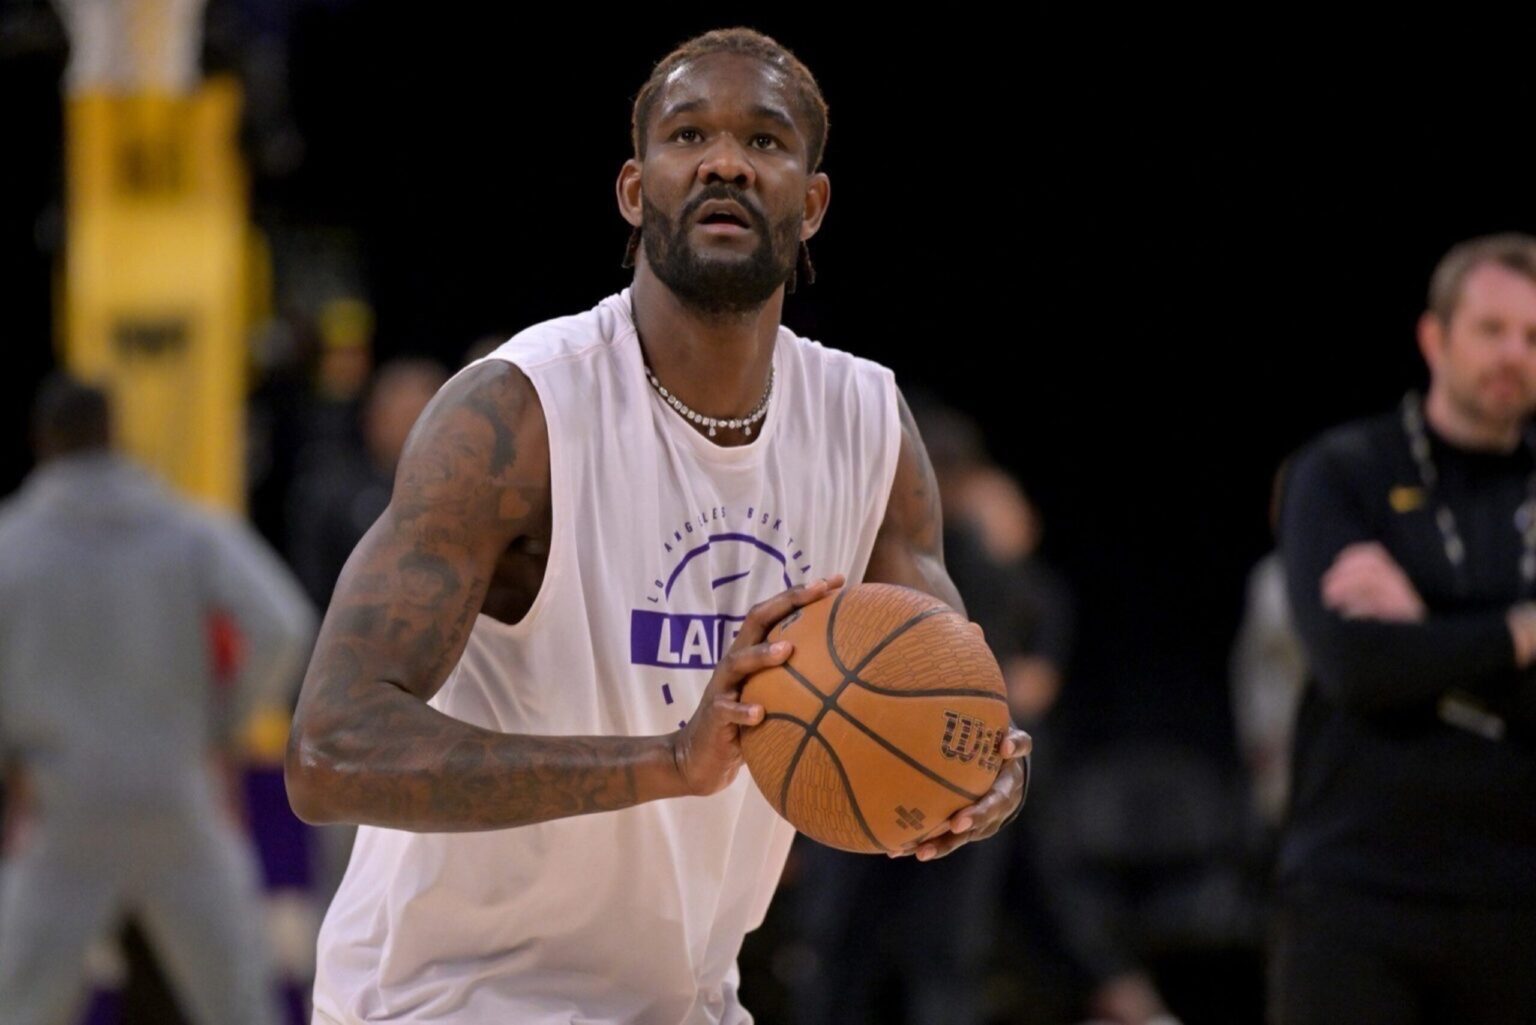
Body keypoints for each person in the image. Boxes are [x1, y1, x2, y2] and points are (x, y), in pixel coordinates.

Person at [284, 26, 1030, 1025]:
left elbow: (955, 700)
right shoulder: (516, 415)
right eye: (688, 134)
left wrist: (980, 776)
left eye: (764, 140)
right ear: (635, 191)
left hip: (681, 998)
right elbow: (331, 750)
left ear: (812, 204)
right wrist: (670, 763)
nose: (725, 161)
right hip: (453, 993)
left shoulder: (868, 427)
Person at [1273, 233, 1536, 1024]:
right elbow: (1358, 666)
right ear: (1435, 336)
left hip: (1518, 898)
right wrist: (1520, 633)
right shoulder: (1342, 470)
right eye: (1492, 329)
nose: (1514, 354)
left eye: (1533, 337)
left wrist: (1421, 623)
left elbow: (1400, 661)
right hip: (1356, 892)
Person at [0, 374, 316, 1025]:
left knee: (24, 1007)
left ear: (42, 441)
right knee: (238, 1006)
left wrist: (13, 755)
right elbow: (283, 625)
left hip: (63, 804)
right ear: (115, 435)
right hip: (176, 793)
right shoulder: (185, 527)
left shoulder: (13, 543)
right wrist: (221, 724)